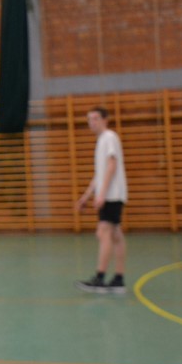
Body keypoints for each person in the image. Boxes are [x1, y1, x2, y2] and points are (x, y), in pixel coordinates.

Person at [74, 106, 128, 295]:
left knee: (103, 232)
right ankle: (118, 280)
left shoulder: (109, 137)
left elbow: (112, 165)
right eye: (89, 119)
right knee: (115, 235)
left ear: (105, 119)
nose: (92, 122)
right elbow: (100, 174)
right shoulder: (101, 141)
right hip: (111, 194)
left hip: (112, 194)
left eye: (95, 118)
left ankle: (100, 278)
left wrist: (102, 194)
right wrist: (86, 196)